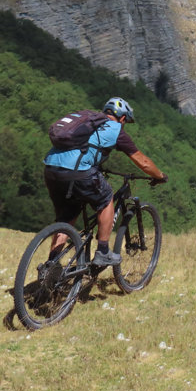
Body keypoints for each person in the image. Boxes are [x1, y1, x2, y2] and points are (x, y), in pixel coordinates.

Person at [43, 97, 166, 267]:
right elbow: (143, 162)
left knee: (66, 218)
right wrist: (159, 176)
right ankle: (102, 252)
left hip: (51, 169)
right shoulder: (116, 130)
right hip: (77, 172)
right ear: (123, 118)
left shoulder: (87, 123)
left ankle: (51, 264)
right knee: (106, 199)